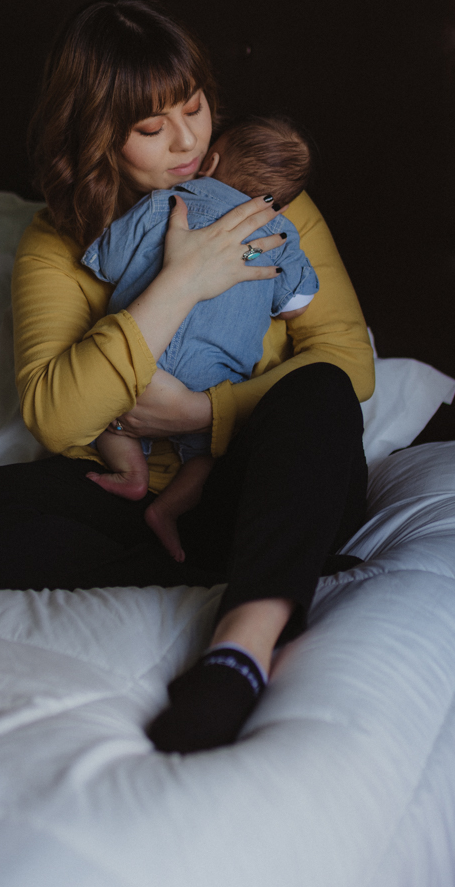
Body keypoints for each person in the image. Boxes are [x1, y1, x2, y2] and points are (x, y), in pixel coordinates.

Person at [0, 0, 375, 754]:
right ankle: (233, 568)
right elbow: (56, 418)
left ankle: (240, 647)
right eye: (151, 128)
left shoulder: (271, 200)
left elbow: (346, 362)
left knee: (318, 394)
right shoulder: (56, 243)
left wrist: (201, 414)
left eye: (193, 108)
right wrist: (179, 284)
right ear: (98, 136)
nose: (190, 141)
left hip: (260, 479)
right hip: (127, 496)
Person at [82, 116, 320, 563]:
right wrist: (251, 253)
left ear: (210, 161)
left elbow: (108, 262)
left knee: (108, 415)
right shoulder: (280, 237)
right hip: (214, 380)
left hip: (140, 351)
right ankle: (167, 509)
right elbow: (297, 305)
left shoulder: (167, 203)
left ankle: (130, 471)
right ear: (283, 203)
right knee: (212, 456)